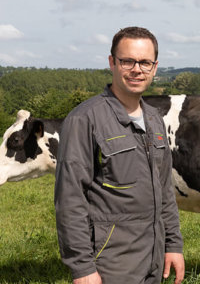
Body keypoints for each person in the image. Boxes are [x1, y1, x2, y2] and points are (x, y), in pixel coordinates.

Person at [55, 26, 185, 284]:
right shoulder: (85, 119)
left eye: (145, 62)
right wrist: (82, 268)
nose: (137, 69)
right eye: (127, 61)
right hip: (111, 265)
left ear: (155, 68)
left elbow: (164, 191)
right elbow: (70, 199)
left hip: (154, 259)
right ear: (112, 63)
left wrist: (173, 245)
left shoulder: (155, 120)